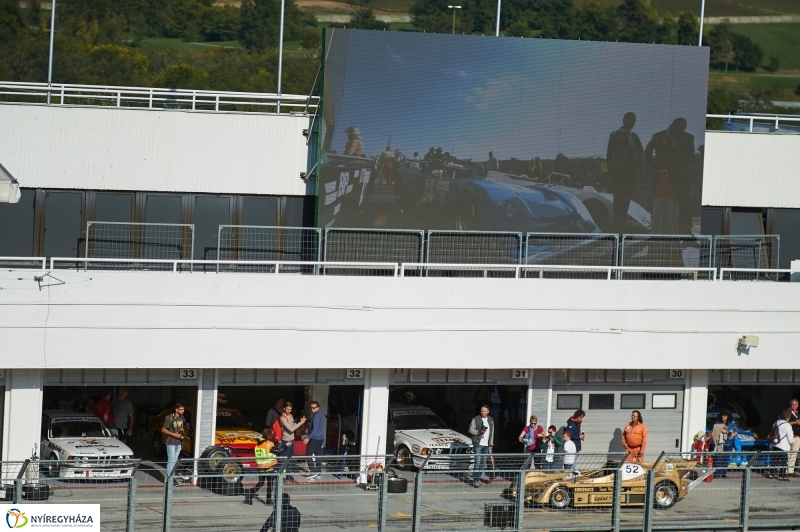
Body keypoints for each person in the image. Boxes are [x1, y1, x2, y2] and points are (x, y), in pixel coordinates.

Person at [644, 118, 695, 234]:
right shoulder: (659, 136)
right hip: (662, 175)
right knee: (659, 201)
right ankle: (656, 228)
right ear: (672, 125)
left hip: (680, 174)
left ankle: (686, 230)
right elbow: (648, 151)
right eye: (679, 127)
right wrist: (653, 166)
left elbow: (690, 155)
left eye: (683, 128)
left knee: (686, 202)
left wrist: (683, 165)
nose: (681, 130)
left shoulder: (688, 137)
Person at [606, 112, 643, 233]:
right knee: (618, 199)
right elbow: (609, 154)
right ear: (625, 120)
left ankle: (622, 224)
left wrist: (635, 161)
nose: (633, 122)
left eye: (635, 120)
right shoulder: (615, 135)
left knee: (627, 199)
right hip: (618, 173)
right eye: (632, 120)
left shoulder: (635, 136)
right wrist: (610, 172)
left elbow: (641, 150)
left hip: (630, 173)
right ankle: (618, 225)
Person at [243, 428, 278, 505]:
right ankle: (268, 500)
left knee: (261, 483)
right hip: (269, 466)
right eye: (271, 435)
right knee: (270, 484)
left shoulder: (258, 443)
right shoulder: (269, 443)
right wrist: (286, 446)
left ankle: (249, 495)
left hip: (260, 466)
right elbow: (278, 451)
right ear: (269, 436)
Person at [468, 405, 494, 487]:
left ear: (488, 411)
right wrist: (479, 432)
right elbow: (470, 430)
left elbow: (492, 432)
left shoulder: (491, 420)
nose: (483, 412)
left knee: (482, 464)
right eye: (482, 411)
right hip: (478, 444)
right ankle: (475, 480)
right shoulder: (476, 419)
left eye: (484, 411)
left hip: (486, 445)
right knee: (478, 462)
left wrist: (491, 444)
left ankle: (478, 478)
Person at [161, 403, 186, 486]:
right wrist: (173, 434)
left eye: (183, 409)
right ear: (176, 409)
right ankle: (169, 479)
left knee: (175, 461)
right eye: (181, 409)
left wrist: (182, 434)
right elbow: (163, 430)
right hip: (171, 442)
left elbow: (182, 427)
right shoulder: (169, 418)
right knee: (171, 460)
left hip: (178, 442)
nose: (183, 411)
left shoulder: (181, 417)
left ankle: (173, 477)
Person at [279, 402, 306, 472]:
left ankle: (289, 476)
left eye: (290, 409)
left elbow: (294, 425)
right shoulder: (282, 417)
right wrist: (301, 423)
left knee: (290, 459)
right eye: (287, 409)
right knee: (283, 459)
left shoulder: (290, 415)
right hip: (285, 440)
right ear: (284, 408)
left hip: (292, 439)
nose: (289, 411)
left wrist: (299, 422)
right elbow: (291, 429)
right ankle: (279, 476)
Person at [303, 400, 325, 481]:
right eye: (311, 408)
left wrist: (308, 438)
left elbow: (314, 430)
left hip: (315, 438)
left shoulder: (316, 416)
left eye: (314, 408)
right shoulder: (318, 415)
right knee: (318, 455)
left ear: (318, 408)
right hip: (320, 438)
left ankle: (313, 472)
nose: (312, 409)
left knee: (308, 454)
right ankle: (318, 472)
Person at [769, 410, 793, 481]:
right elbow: (790, 438)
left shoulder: (775, 423)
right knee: (783, 461)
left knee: (774, 460)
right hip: (783, 446)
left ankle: (772, 474)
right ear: (788, 417)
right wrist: (792, 445)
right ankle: (782, 476)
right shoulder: (787, 425)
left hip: (774, 444)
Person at [786, 399, 800, 475]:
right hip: (792, 436)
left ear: (797, 405)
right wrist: (796, 422)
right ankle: (788, 471)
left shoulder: (798, 413)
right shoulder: (787, 412)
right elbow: (786, 422)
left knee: (795, 454)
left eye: (795, 404)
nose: (793, 406)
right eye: (792, 404)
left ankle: (791, 470)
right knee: (790, 453)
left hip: (798, 437)